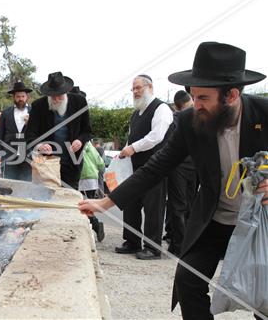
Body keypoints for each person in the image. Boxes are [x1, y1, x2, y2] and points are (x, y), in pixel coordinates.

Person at [79, 42, 268, 319]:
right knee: (187, 280)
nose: (195, 105)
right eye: (193, 96)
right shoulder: (192, 120)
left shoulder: (264, 113)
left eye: (203, 97)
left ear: (231, 95)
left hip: (259, 223)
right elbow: (156, 167)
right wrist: (106, 202)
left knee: (263, 295)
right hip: (214, 219)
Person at [115, 74, 173, 260]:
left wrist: (133, 148)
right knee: (130, 203)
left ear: (150, 87)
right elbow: (131, 137)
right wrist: (125, 149)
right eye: (133, 89)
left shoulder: (161, 108)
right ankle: (131, 241)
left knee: (153, 208)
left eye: (138, 88)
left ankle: (153, 247)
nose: (135, 92)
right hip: (134, 167)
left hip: (155, 166)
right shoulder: (136, 113)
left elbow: (157, 136)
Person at [26, 72, 92, 189]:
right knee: (46, 200)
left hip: (72, 163)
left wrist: (80, 141)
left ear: (66, 92)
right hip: (46, 165)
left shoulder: (79, 102)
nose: (56, 99)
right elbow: (29, 135)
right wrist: (40, 145)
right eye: (53, 96)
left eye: (59, 96)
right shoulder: (38, 106)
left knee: (69, 201)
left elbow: (87, 130)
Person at [164, 90, 197, 256]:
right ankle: (181, 245)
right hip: (186, 166)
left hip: (183, 167)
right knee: (183, 206)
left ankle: (179, 243)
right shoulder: (183, 119)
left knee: (181, 206)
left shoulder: (175, 119)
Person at [0, 82, 32, 181]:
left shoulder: (33, 111)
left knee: (26, 182)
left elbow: (37, 132)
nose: (20, 99)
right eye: (18, 96)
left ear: (27, 97)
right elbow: (0, 134)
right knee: (9, 181)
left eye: (23, 96)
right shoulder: (6, 113)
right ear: (13, 97)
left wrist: (30, 122)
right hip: (9, 153)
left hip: (27, 153)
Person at [79, 141, 105, 242]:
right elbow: (101, 164)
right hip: (92, 180)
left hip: (83, 179)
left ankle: (96, 226)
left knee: (81, 207)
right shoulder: (92, 147)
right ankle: (96, 226)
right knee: (86, 206)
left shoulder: (80, 146)